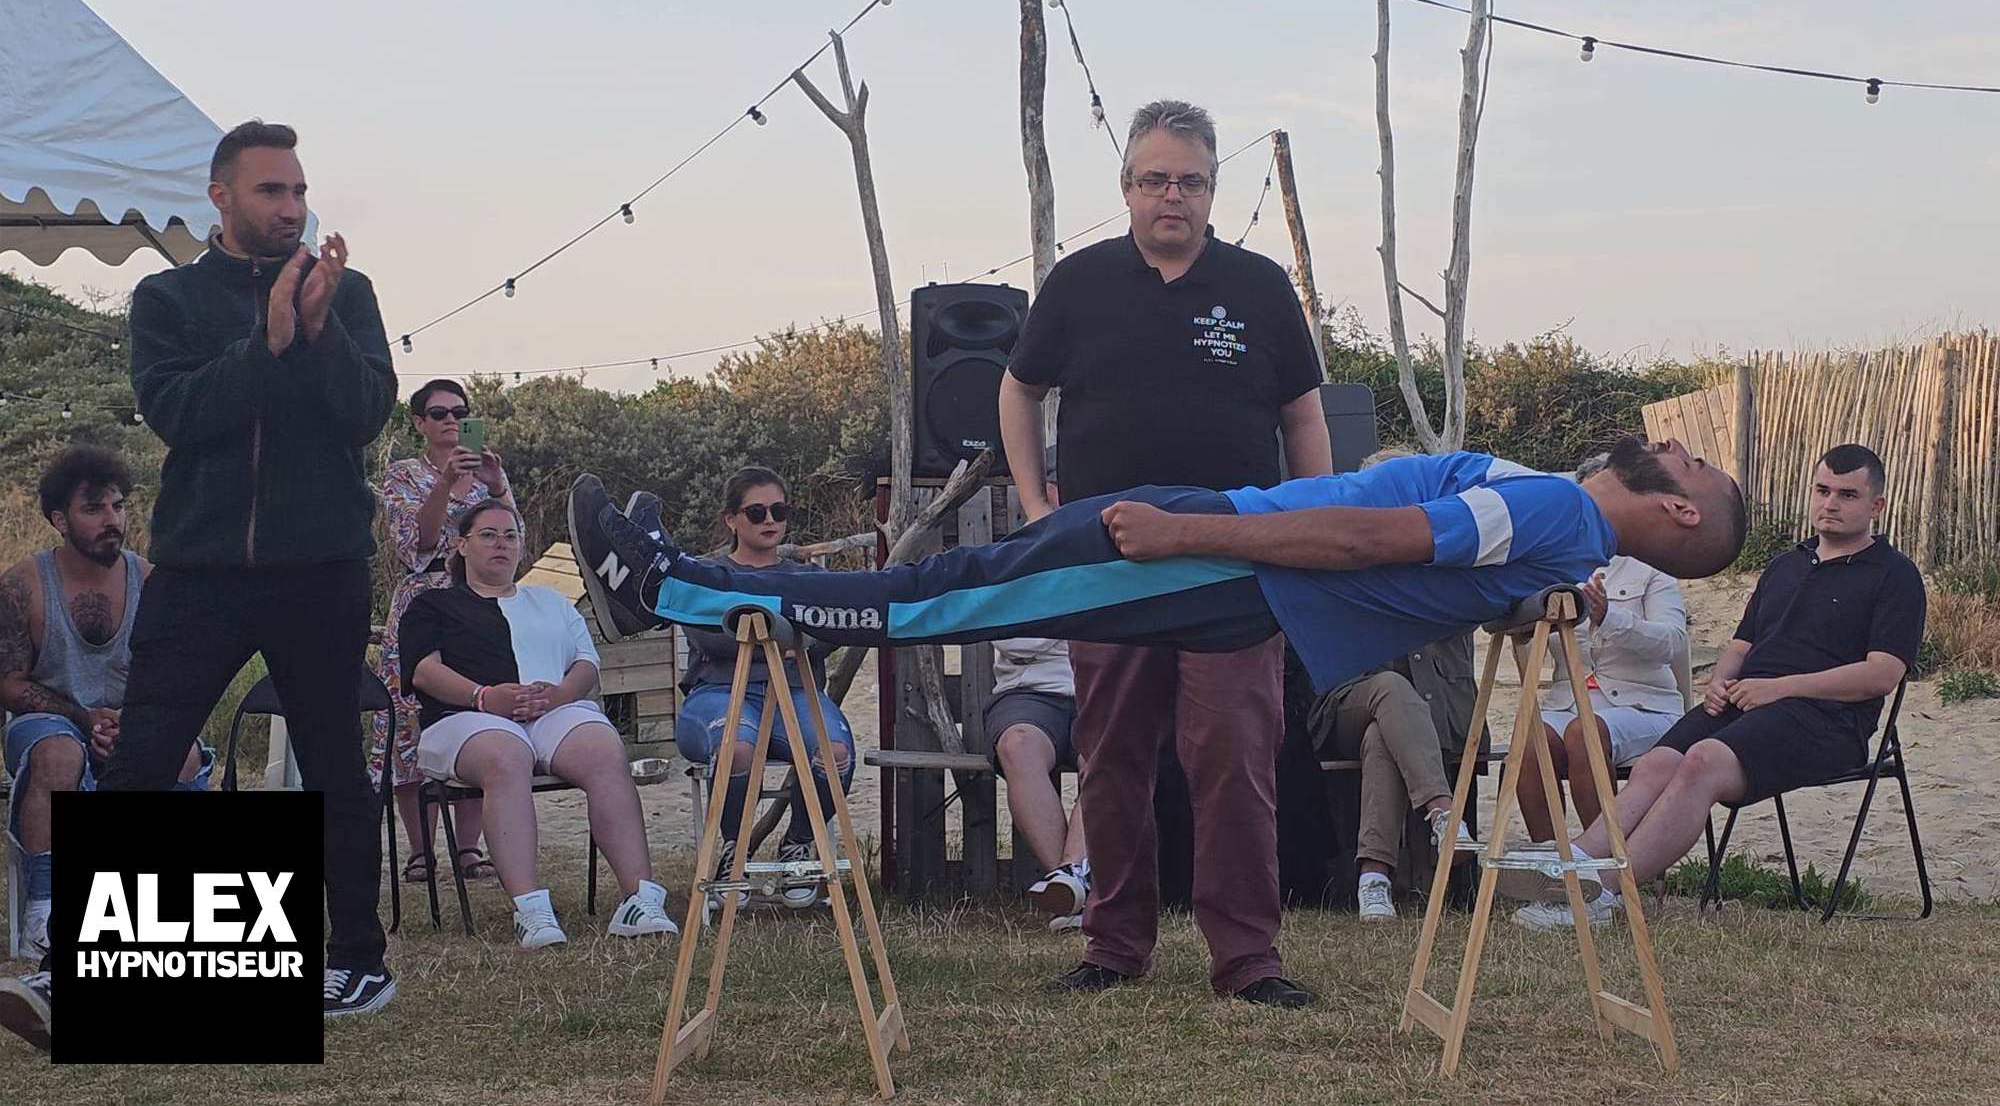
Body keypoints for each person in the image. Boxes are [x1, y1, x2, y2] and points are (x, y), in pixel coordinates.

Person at [570, 437, 1746, 932]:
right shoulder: (1560, 519)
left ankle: (666, 586)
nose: (1663, 445)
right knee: (968, 576)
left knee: (956, 594)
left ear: (1679, 505)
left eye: (1686, 460)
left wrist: (1191, 536)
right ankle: (684, 574)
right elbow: (1453, 546)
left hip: (1221, 567)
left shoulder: (1555, 512)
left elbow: (1370, 540)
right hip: (1228, 551)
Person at [995, 99, 1332, 1007]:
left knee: (1234, 759)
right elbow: (1017, 389)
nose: (1171, 195)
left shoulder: (1261, 287)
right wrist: (1036, 508)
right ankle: (1113, 944)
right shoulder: (1078, 283)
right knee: (1110, 755)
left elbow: (1304, 416)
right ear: (1127, 189)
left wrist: (1303, 526)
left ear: (1214, 190)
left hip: (1231, 565)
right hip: (1108, 564)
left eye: (1189, 180)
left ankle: (1249, 960)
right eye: (1154, 179)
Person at [104, 119, 398, 1018]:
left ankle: (357, 960)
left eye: (301, 191)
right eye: (272, 191)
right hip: (201, 570)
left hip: (322, 569)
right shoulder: (167, 300)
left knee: (332, 764)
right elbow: (180, 414)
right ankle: (119, 959)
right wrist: (265, 343)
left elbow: (364, 416)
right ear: (220, 196)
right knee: (145, 754)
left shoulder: (348, 294)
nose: (292, 209)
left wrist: (316, 335)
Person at [1501, 444, 1920, 929]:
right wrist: (1720, 682)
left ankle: (1604, 897)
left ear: (1876, 505)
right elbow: (1742, 646)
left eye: (1848, 495)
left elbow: (1883, 673)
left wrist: (1780, 688)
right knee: (1659, 760)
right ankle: (1574, 870)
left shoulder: (1895, 575)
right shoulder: (1787, 565)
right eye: (1822, 490)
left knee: (1702, 761)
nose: (1831, 503)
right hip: (1748, 704)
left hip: (1828, 720)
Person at [401, 501, 680, 949]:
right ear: (462, 544)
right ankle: (531, 909)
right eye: (488, 535)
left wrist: (560, 696)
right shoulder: (433, 606)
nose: (501, 544)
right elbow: (423, 671)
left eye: (510, 536)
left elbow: (586, 662)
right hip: (465, 717)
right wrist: (484, 696)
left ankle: (639, 899)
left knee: (605, 749)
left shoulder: (550, 602)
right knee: (505, 755)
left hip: (553, 712)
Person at [2, 448, 212, 960]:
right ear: (60, 519)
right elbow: (8, 681)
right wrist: (83, 717)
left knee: (180, 752)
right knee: (58, 753)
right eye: (94, 510)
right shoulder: (23, 585)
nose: (112, 521)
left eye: (118, 507)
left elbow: (176, 673)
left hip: (134, 715)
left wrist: (134, 721)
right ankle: (45, 913)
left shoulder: (149, 580)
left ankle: (172, 905)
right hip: (48, 720)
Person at [669, 468, 857, 909]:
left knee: (835, 752)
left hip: (795, 692)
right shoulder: (706, 573)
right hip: (718, 692)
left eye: (779, 510)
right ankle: (735, 850)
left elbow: (837, 627)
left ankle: (799, 846)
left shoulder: (807, 575)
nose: (770, 520)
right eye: (756, 512)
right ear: (731, 519)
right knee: (737, 748)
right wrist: (789, 639)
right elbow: (708, 638)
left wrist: (766, 640)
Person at [1513, 453, 1688, 867]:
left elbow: (1673, 644)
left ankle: (1604, 865)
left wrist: (1611, 617)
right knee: (1531, 740)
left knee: (1584, 734)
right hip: (1570, 700)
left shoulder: (1652, 568)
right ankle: (1551, 865)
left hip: (1641, 703)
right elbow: (1524, 644)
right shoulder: (1553, 565)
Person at [373, 378, 513, 884]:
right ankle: (419, 851)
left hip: (478, 603)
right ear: (419, 424)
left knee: (479, 710)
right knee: (409, 722)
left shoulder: (485, 476)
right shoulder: (403, 474)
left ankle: (469, 848)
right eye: (438, 413)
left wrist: (496, 485)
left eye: (460, 411)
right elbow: (417, 545)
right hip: (423, 601)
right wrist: (442, 485)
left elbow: (510, 538)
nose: (450, 420)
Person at [1309, 638, 1477, 922]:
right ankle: (1443, 811)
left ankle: (1373, 877)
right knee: (1391, 686)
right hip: (1347, 697)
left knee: (1381, 736)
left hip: (1433, 704)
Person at [990, 636, 1089, 931]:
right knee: (1017, 746)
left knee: (1107, 753)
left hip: (1109, 685)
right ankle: (1073, 884)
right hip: (1028, 691)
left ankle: (1072, 883)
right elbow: (1016, 641)